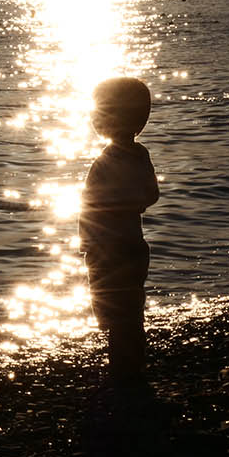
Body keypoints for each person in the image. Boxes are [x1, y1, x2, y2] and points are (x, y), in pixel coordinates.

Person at [79, 76, 160, 381]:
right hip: (134, 244)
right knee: (131, 304)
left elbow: (89, 206)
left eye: (98, 111)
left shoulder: (104, 161)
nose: (92, 117)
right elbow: (152, 194)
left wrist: (87, 243)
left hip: (107, 247)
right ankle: (133, 360)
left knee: (112, 306)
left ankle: (122, 368)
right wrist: (131, 202)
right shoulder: (141, 154)